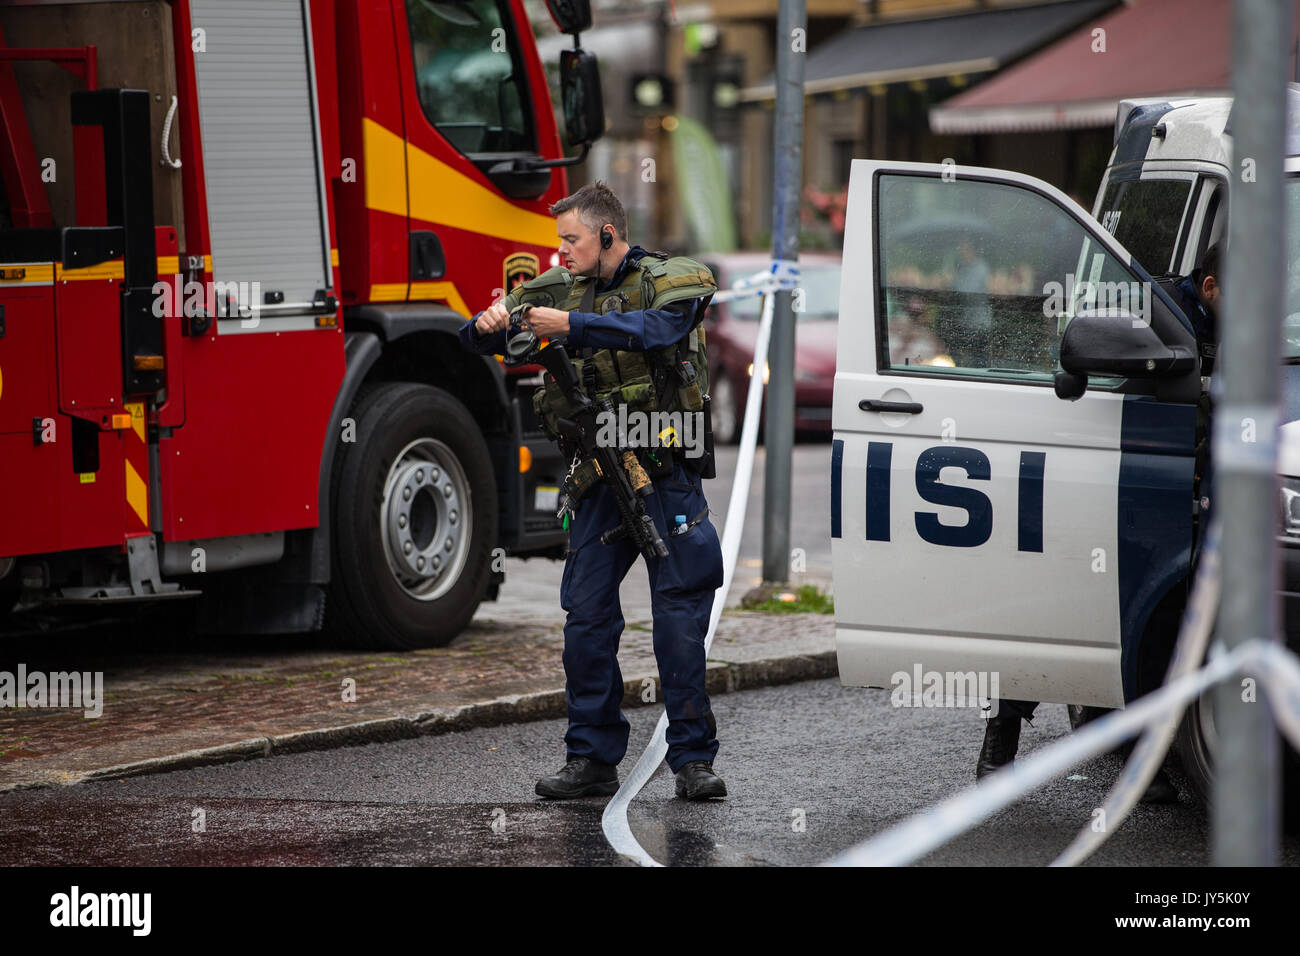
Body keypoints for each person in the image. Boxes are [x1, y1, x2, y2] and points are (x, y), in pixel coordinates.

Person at [458, 182, 727, 801]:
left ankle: (692, 762)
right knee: (585, 620)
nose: (562, 252)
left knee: (678, 622)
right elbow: (478, 339)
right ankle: (591, 759)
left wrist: (573, 326)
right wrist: (489, 322)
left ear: (607, 233)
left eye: (571, 239)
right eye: (559, 241)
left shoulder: (672, 276)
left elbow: (660, 330)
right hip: (599, 477)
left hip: (664, 471)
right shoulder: (555, 289)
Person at [975, 245, 1224, 804]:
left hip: (1179, 487)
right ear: (1208, 288)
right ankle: (1001, 739)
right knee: (1055, 605)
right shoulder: (1156, 313)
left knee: (1154, 624)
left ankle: (1133, 744)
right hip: (1109, 471)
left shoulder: (1239, 325)